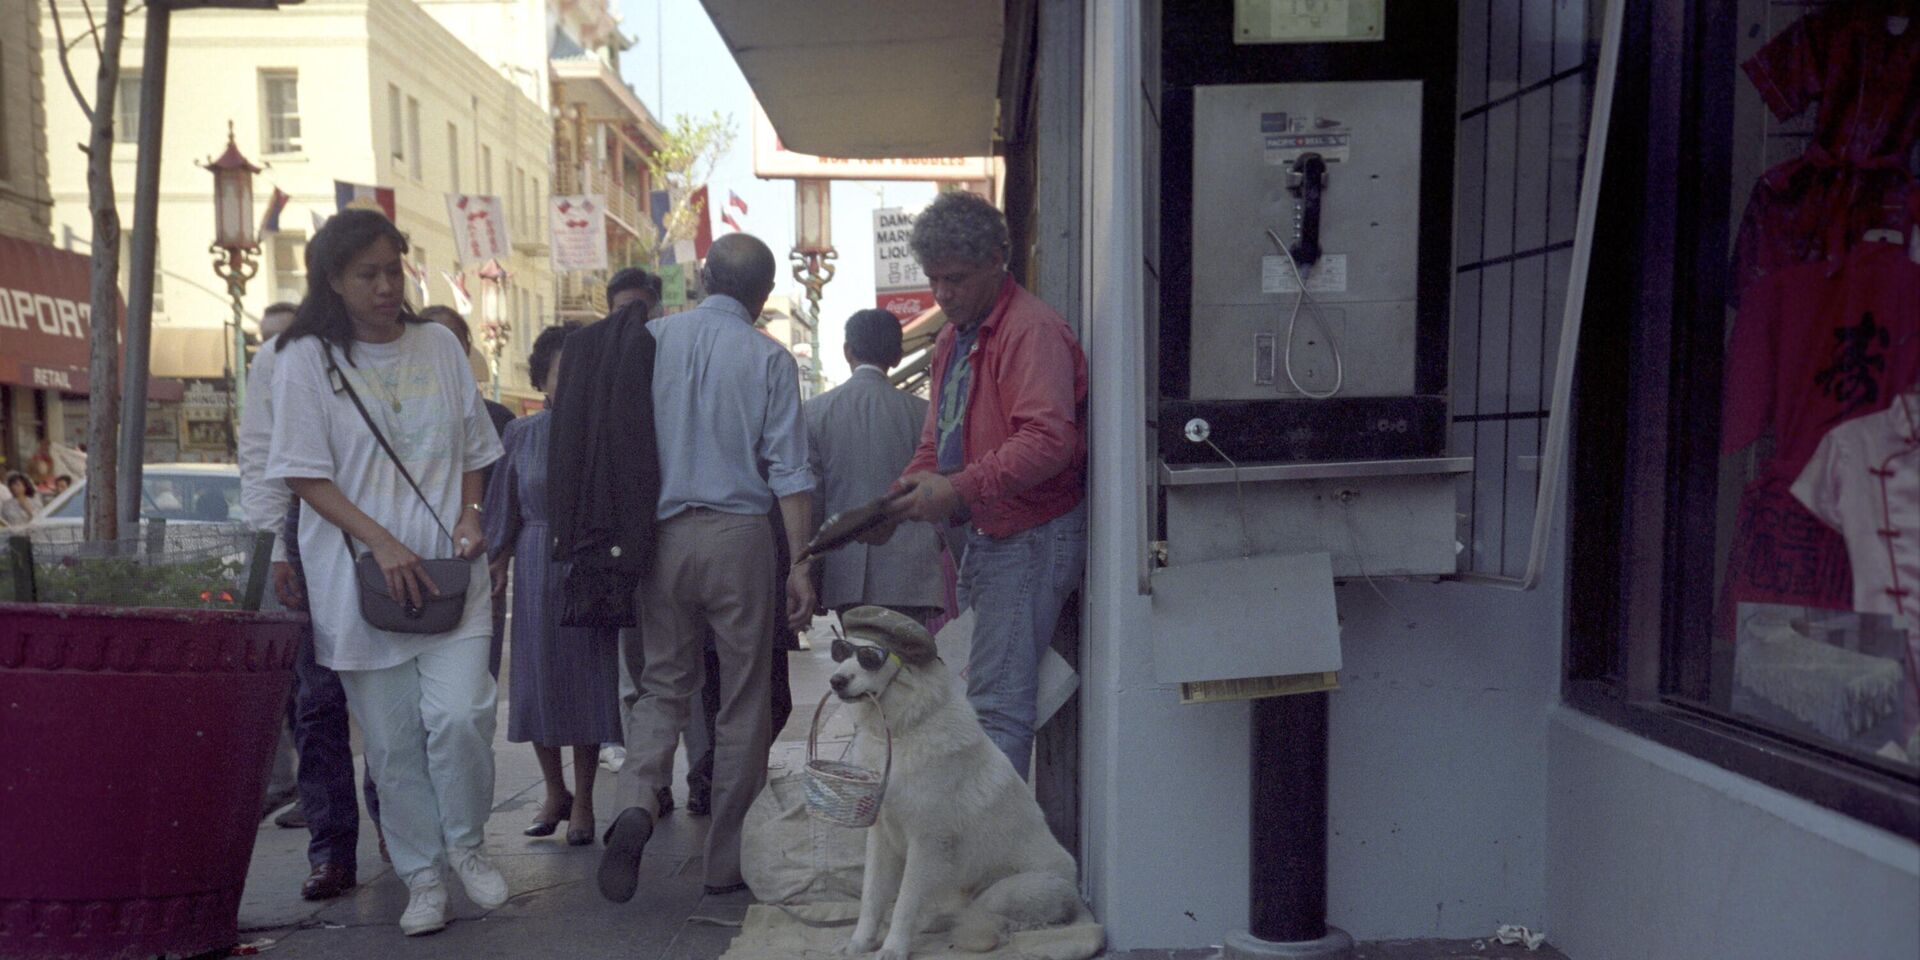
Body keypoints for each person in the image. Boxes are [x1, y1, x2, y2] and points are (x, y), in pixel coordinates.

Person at [264, 209, 508, 937]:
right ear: (333, 280)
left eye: (391, 270)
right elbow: (304, 475)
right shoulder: (303, 357)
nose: (382, 286)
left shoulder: (437, 345)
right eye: (366, 273)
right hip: (358, 581)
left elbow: (474, 447)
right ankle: (422, 876)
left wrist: (471, 515)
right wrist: (381, 544)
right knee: (395, 745)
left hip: (450, 571)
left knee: (460, 715)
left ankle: (466, 846)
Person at [597, 232, 814, 903]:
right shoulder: (770, 360)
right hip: (740, 537)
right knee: (744, 696)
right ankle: (725, 860)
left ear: (702, 278)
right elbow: (791, 473)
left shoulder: (654, 342)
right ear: (764, 295)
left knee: (664, 684)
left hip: (663, 537)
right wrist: (799, 564)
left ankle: (636, 800)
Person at [868, 191, 1088, 779]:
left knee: (997, 710)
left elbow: (1048, 441)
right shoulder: (951, 339)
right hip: (991, 536)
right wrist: (903, 493)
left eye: (956, 279)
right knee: (986, 701)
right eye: (934, 279)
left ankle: (997, 860)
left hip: (1031, 534)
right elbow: (935, 438)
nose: (942, 294)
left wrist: (959, 488)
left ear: (998, 261)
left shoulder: (1032, 331)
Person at [241, 300, 387, 897]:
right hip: (309, 530)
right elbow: (260, 455)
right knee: (319, 700)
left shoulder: (384, 346)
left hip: (384, 517)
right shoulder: (277, 360)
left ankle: (398, 833)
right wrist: (275, 546)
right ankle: (330, 852)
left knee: (393, 691)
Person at [483, 323, 622, 847]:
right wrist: (497, 557)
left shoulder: (604, 432)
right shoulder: (519, 434)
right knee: (536, 682)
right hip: (536, 561)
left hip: (585, 567)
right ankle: (553, 790)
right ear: (543, 378)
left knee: (587, 680)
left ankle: (584, 798)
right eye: (564, 371)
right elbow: (505, 505)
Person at [804, 308, 945, 626]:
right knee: (905, 666)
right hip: (913, 571)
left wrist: (810, 570)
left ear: (847, 351)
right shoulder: (923, 413)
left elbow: (812, 502)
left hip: (845, 568)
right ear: (897, 356)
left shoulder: (814, 413)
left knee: (859, 668)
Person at [420, 304, 516, 680]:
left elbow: (512, 495)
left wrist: (502, 555)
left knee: (477, 676)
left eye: (452, 341)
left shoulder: (497, 418)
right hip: (415, 559)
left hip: (478, 560)